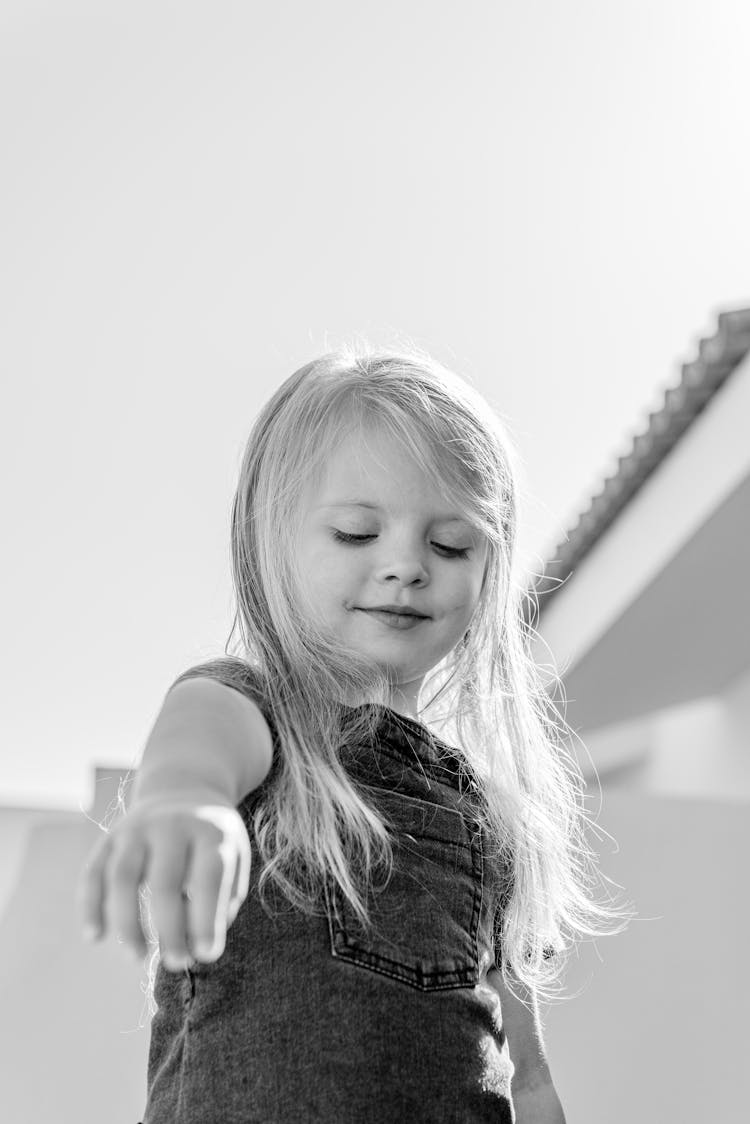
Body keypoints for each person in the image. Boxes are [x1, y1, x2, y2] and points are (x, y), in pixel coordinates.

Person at [77, 343, 634, 1123]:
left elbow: (525, 1066)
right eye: (354, 534)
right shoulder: (263, 712)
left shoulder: (487, 814)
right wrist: (188, 799)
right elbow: (199, 736)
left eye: (449, 544)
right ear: (272, 541)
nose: (406, 565)